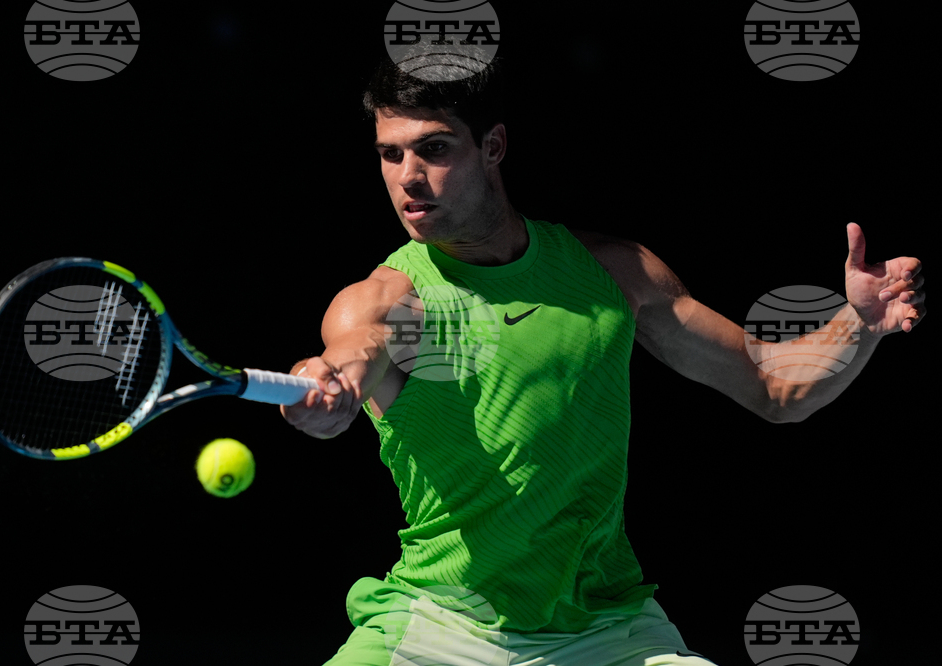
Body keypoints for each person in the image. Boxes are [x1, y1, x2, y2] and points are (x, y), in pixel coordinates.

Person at [281, 56, 926, 666]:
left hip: (606, 628)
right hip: (440, 622)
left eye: (435, 148)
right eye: (390, 155)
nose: (407, 177)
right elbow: (354, 355)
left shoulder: (613, 275)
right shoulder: (395, 301)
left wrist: (859, 323)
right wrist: (330, 383)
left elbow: (775, 387)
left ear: (494, 147)